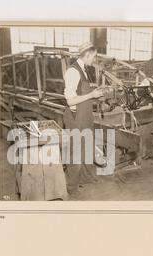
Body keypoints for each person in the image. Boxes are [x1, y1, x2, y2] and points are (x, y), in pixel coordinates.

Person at [63, 42, 104, 197]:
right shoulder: (72, 72)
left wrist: (95, 94)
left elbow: (83, 93)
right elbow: (70, 101)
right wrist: (91, 95)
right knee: (75, 153)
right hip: (76, 119)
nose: (94, 60)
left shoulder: (84, 70)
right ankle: (71, 187)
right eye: (93, 57)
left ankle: (86, 178)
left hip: (85, 117)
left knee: (87, 148)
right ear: (87, 55)